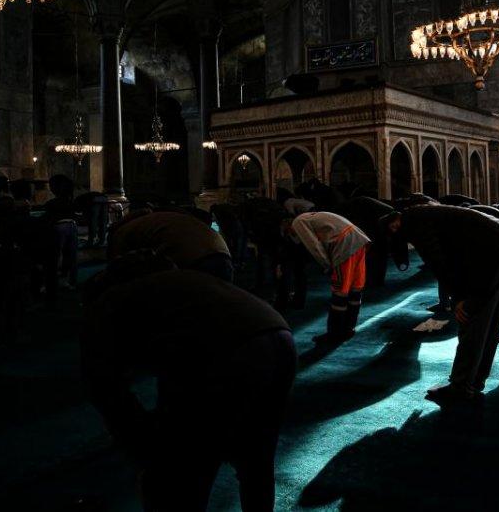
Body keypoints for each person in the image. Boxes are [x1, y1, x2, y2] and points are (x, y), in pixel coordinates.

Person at [81, 265, 295, 512]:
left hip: (223, 354)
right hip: (279, 336)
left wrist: (148, 455)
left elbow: (106, 392)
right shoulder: (171, 283)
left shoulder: (101, 310)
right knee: (256, 460)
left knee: (190, 470)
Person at [382, 205, 499, 403]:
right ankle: (474, 381)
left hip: (493, 255)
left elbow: (440, 264)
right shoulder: (422, 213)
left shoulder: (414, 223)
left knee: (470, 318)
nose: (396, 232)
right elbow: (455, 256)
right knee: (489, 322)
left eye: (393, 228)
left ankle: (460, 387)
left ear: (395, 222)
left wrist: (458, 299)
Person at [288, 211, 372, 343]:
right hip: (358, 238)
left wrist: (327, 265)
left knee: (340, 290)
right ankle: (349, 328)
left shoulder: (298, 222)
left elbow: (314, 246)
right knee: (355, 287)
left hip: (343, 242)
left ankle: (335, 333)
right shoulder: (311, 216)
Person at [108, 209, 233, 283]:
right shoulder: (158, 219)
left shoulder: (121, 232)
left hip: (191, 260)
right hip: (221, 251)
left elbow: (120, 269)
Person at [335, 196, 401, 291]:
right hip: (361, 215)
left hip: (365, 217)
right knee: (372, 249)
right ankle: (370, 281)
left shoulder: (386, 215)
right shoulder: (375, 214)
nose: (394, 229)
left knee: (377, 249)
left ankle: (372, 281)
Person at [43, 174, 79, 303]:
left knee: (55, 256)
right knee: (71, 255)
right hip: (72, 225)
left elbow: (48, 219)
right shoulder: (70, 202)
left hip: (59, 227)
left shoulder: (51, 204)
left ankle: (52, 284)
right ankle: (70, 281)